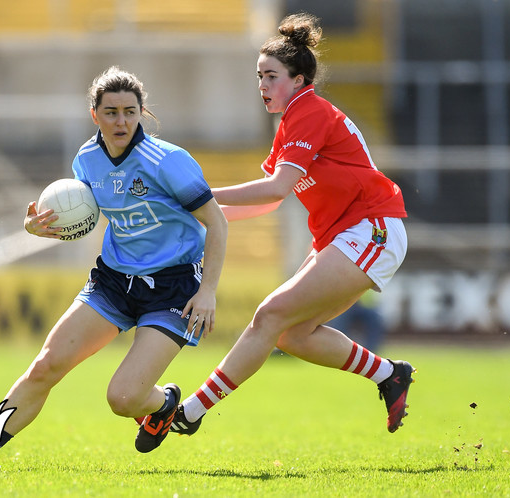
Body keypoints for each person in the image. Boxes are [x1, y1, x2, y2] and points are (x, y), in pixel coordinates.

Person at [0, 66, 227, 470]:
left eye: (129, 111)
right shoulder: (87, 160)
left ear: (142, 111)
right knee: (45, 366)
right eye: (111, 112)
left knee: (122, 399)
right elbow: (77, 218)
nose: (121, 121)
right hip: (112, 281)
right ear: (95, 115)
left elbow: (217, 222)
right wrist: (35, 227)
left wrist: (208, 289)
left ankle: (163, 404)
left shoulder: (168, 161)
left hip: (174, 288)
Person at [165, 13, 415, 443]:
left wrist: (200, 196)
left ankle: (190, 411)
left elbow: (275, 187)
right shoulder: (290, 123)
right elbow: (271, 201)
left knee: (268, 315)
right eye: (258, 76)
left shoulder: (309, 111)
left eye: (271, 76)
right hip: (343, 235)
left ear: (299, 79)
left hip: (372, 228)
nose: (262, 85)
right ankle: (389, 374)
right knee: (292, 334)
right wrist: (197, 217)